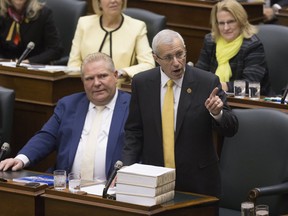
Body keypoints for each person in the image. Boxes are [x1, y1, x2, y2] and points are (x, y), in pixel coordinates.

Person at [122, 29, 238, 199]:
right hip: (155, 180)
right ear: (155, 58)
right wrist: (127, 168)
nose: (176, 63)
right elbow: (134, 131)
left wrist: (218, 113)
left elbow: (232, 127)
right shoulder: (142, 83)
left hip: (198, 183)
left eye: (180, 54)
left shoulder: (206, 82)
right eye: (168, 57)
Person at [0, 52, 131, 182]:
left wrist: (130, 176)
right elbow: (46, 136)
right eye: (89, 78)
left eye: (102, 76)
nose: (96, 83)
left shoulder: (132, 107)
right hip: (67, 187)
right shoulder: (69, 104)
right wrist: (21, 159)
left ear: (115, 76)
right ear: (82, 81)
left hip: (112, 190)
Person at [195, 0, 274, 96]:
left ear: (241, 21)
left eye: (231, 22)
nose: (226, 28)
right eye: (221, 23)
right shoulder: (211, 41)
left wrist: (220, 86)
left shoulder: (253, 45)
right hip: (214, 99)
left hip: (251, 103)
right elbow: (199, 74)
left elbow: (251, 85)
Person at [67, 0, 155, 85]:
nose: (113, 1)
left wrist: (122, 72)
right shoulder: (84, 23)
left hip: (119, 89)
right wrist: (92, 76)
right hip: (86, 89)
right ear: (99, 2)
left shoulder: (137, 27)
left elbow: (148, 64)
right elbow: (72, 65)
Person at [0, 0, 63, 64]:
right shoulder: (1, 13)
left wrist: (29, 61)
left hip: (33, 68)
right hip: (4, 67)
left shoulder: (43, 14)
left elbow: (55, 49)